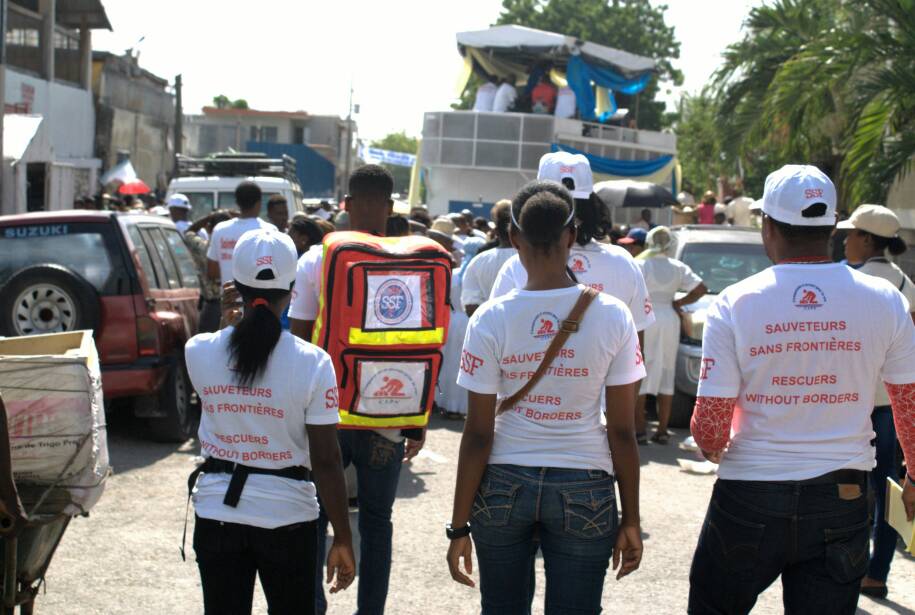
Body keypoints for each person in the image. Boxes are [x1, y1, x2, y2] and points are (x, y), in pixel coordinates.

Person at [688, 164, 915, 614]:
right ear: (831, 226)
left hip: (749, 495)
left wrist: (714, 446)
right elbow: (908, 402)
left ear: (767, 226)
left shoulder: (736, 302)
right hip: (842, 495)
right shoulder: (886, 299)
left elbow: (710, 427)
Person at [446, 184, 645, 613]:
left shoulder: (490, 318)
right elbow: (624, 431)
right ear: (571, 236)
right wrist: (630, 518)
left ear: (514, 239)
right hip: (585, 483)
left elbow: (479, 434)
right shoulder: (613, 315)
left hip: (502, 481)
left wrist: (458, 525)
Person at [185, 229, 355, 614]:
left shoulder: (198, 351)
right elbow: (327, 460)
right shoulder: (313, 362)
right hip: (289, 517)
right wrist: (343, 538)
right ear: (292, 289)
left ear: (235, 287)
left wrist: (229, 323)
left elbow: (230, 358)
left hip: (216, 514)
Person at [288, 165, 426, 615]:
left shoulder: (317, 259)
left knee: (316, 515)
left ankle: (312, 604)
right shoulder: (412, 258)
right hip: (389, 411)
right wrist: (417, 417)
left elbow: (301, 337)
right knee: (378, 522)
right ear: (390, 208)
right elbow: (423, 341)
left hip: (328, 412)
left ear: (345, 205)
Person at [837, 204, 915, 599]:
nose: (845, 240)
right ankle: (877, 572)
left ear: (866, 240)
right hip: (892, 406)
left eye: (851, 234)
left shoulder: (849, 283)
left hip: (852, 402)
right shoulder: (905, 286)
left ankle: (843, 568)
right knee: (886, 489)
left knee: (846, 485)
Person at [634, 227, 707, 443]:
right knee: (667, 369)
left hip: (646, 316)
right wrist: (679, 303)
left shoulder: (641, 264)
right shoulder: (678, 267)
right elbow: (701, 288)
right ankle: (662, 430)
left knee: (642, 369)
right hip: (669, 316)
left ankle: (639, 429)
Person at [207, 182, 277, 287]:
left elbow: (212, 271)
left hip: (229, 300)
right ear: (259, 203)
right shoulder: (270, 230)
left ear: (237, 202)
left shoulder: (220, 230)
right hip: (261, 299)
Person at [461, 200, 516, 316]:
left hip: (487, 330)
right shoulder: (533, 260)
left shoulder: (478, 261)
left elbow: (470, 307)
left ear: (495, 231)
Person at [185, 210, 234, 333]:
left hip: (212, 306)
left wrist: (209, 217)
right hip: (236, 304)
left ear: (208, 228)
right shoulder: (238, 247)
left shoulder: (201, 247)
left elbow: (189, 232)